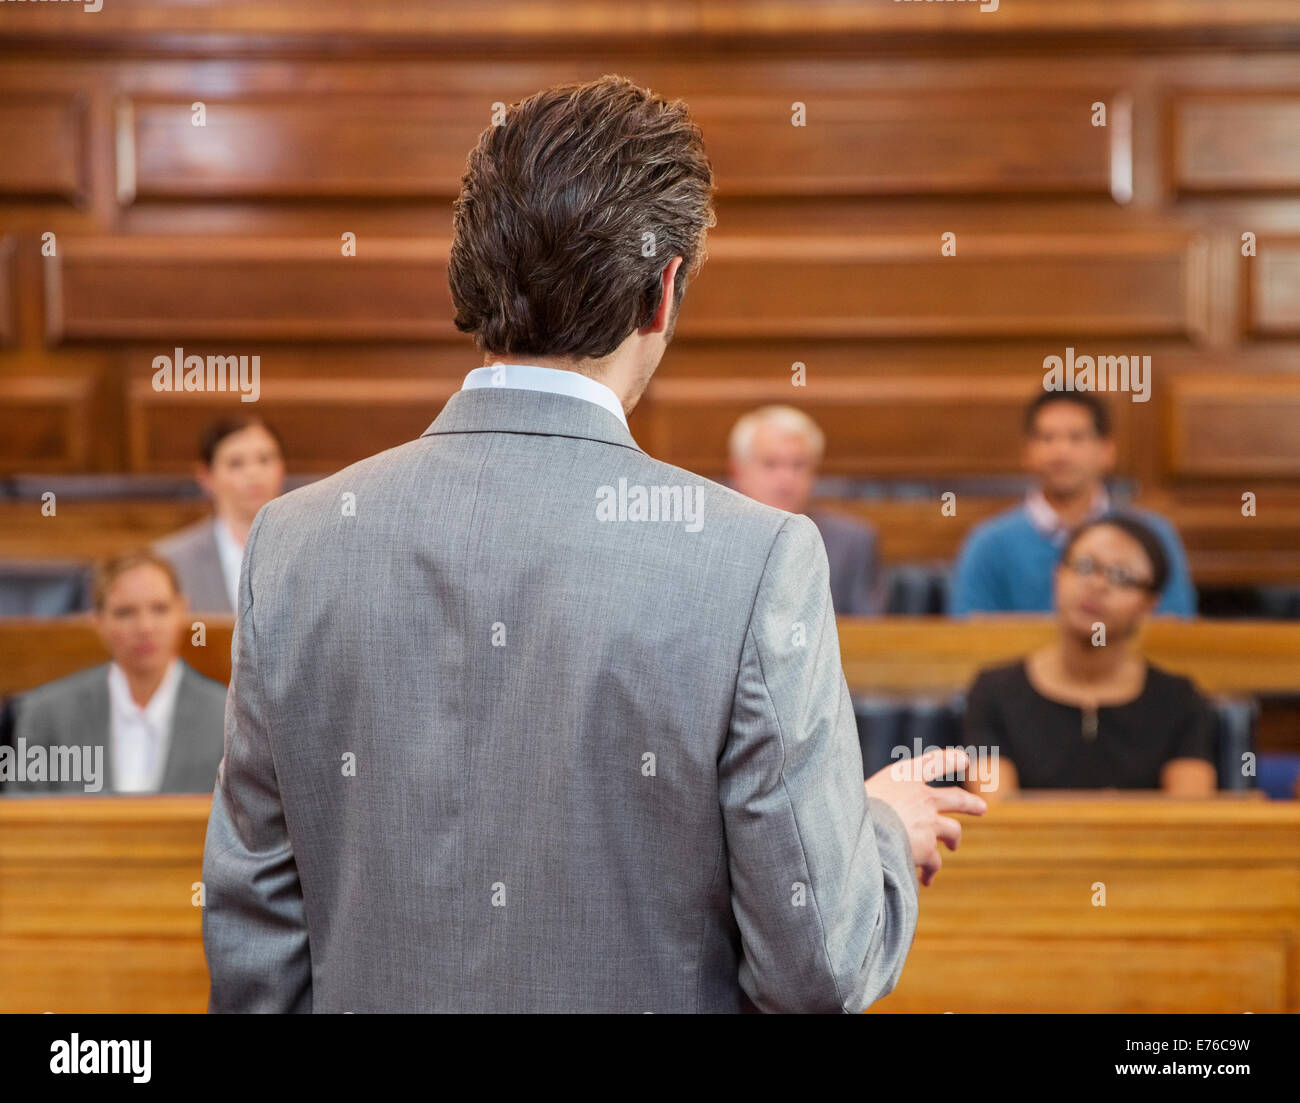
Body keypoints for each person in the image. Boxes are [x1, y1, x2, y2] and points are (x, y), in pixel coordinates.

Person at [201, 75, 985, 1014]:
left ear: (471, 273)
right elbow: (815, 966)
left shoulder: (292, 542)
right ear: (663, 292)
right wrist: (882, 835)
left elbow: (255, 950)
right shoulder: (755, 559)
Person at [962, 515, 1218, 798]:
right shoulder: (995, 692)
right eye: (1085, 566)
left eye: (1121, 576)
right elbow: (995, 810)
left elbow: (1190, 817)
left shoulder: (1179, 700)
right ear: (1058, 576)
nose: (1097, 584)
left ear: (1149, 604)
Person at [951, 391, 1196, 616]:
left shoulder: (1153, 536)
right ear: (1027, 453)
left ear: (1107, 451)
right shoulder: (988, 543)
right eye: (1047, 438)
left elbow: (1175, 631)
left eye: (1076, 438)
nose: (1061, 452)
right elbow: (968, 638)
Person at [5, 551, 227, 796]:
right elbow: (20, 820)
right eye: (125, 612)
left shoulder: (227, 716)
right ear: (98, 621)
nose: (145, 627)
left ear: (182, 610)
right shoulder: (48, 714)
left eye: (160, 609)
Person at [729, 405, 881, 615]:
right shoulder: (713, 539)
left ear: (814, 473)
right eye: (770, 464)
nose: (786, 480)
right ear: (739, 471)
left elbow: (870, 636)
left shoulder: (851, 542)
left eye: (799, 465)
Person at [154, 416, 285, 614]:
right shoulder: (169, 562)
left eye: (265, 459)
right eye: (236, 463)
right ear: (206, 476)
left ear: (281, 468)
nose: (253, 473)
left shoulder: (312, 553)